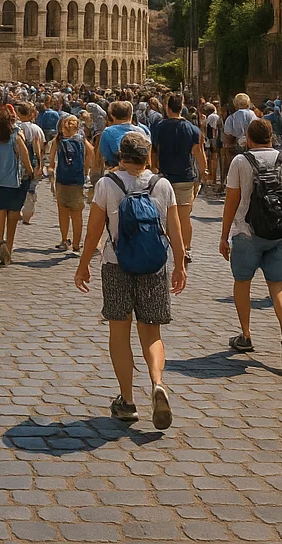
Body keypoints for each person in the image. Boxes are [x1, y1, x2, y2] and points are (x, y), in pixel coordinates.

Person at [73, 130, 185, 428]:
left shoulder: (107, 185)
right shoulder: (162, 185)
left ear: (119, 155)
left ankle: (127, 400)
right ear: (148, 156)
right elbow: (174, 230)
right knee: (152, 333)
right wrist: (180, 266)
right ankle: (158, 382)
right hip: (154, 267)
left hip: (116, 265)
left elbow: (94, 230)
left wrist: (83, 265)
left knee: (120, 334)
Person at [221, 118, 282, 371]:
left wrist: (224, 236)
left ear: (248, 136)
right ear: (272, 137)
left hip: (247, 232)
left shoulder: (240, 161)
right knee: (279, 286)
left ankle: (246, 335)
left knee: (242, 282)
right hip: (279, 232)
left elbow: (232, 200)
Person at [149, 94, 206, 264]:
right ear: (182, 107)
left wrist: (153, 168)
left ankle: (164, 245)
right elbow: (198, 153)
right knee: (184, 217)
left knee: (163, 215)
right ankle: (186, 248)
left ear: (167, 108)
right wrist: (203, 173)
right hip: (185, 177)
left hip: (164, 177)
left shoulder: (159, 127)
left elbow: (153, 150)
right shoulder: (192, 128)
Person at [0, 105, 35, 266]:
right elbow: (25, 155)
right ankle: (9, 246)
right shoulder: (16, 135)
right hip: (15, 182)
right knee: (13, 216)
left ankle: (0, 241)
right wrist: (31, 171)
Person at [48, 113, 90, 255]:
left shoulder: (58, 139)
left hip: (62, 179)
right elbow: (91, 153)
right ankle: (77, 245)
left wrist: (50, 170)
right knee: (77, 214)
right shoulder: (81, 139)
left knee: (63, 211)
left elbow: (51, 159)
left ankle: (65, 240)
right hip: (77, 180)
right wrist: (86, 170)